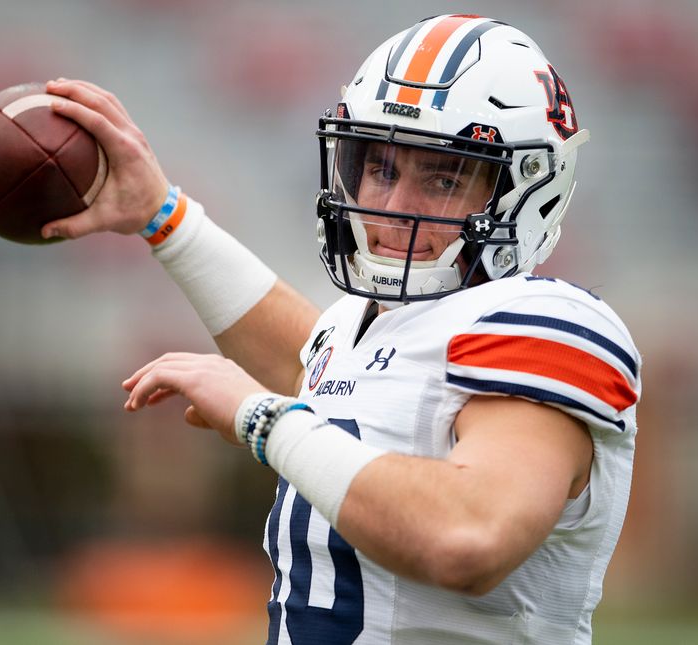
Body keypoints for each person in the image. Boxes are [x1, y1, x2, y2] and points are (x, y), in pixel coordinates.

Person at [43, 14, 641, 645]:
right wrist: (161, 214)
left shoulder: (547, 324)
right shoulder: (364, 329)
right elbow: (333, 376)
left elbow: (469, 538)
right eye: (381, 169)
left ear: (527, 191)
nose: (392, 206)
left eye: (442, 177)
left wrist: (262, 419)